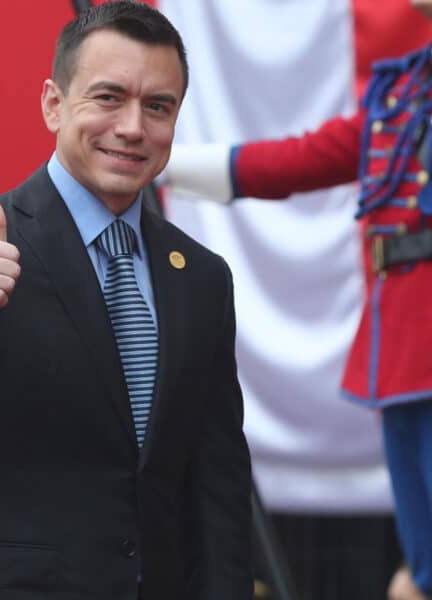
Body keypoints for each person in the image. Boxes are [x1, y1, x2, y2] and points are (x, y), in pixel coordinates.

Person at [0, 2, 252, 599]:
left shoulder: (201, 277)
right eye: (108, 97)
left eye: (158, 106)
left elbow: (217, 485)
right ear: (54, 104)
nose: (132, 127)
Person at [162, 1, 432, 596]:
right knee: (422, 561)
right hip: (402, 351)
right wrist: (162, 163)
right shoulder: (404, 91)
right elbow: (300, 160)